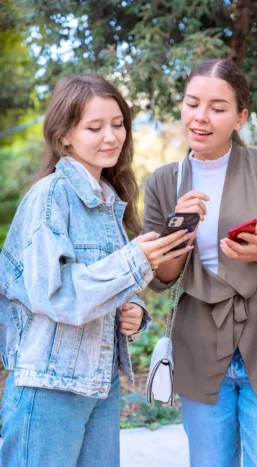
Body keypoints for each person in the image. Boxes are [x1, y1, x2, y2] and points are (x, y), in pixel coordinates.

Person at [0, 74, 193, 467]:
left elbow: (104, 290)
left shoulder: (109, 201)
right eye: (95, 127)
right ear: (64, 135)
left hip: (100, 386)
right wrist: (136, 261)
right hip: (49, 388)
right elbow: (56, 296)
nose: (111, 136)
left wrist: (132, 312)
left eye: (118, 124)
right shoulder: (51, 196)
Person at [143, 58, 257, 466]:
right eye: (192, 103)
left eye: (218, 108)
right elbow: (162, 277)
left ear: (240, 117)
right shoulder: (165, 181)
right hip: (200, 342)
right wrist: (176, 234)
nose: (200, 117)